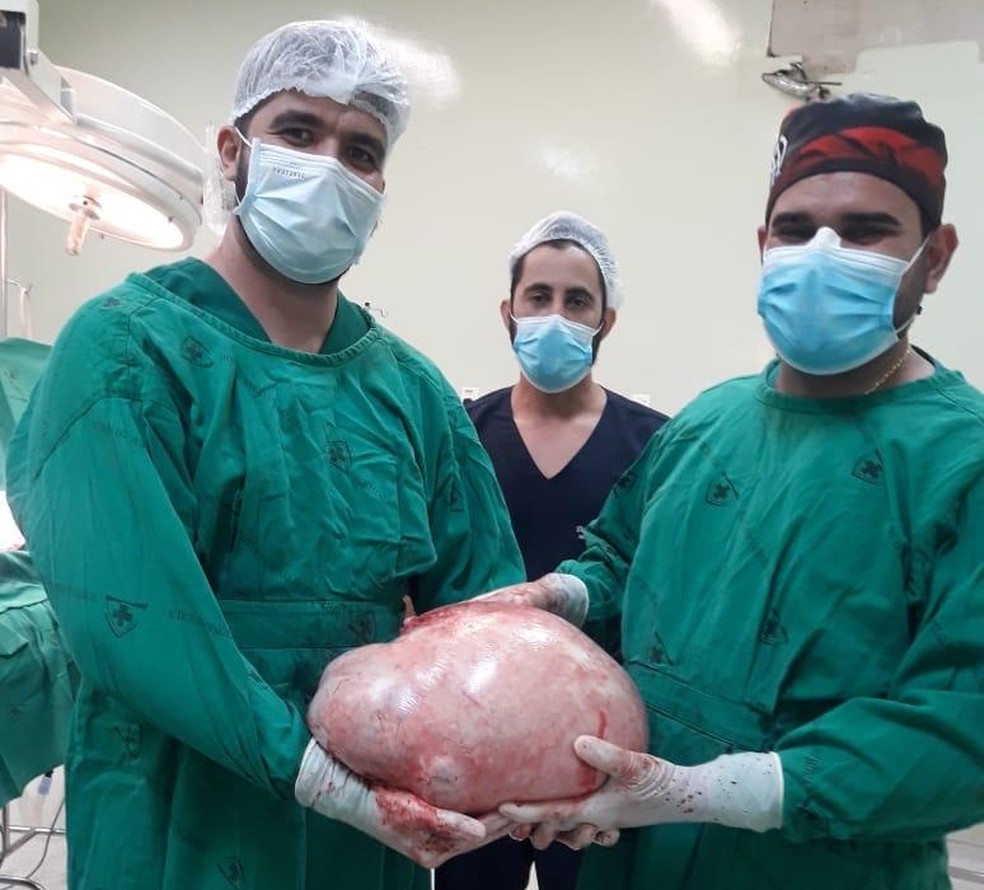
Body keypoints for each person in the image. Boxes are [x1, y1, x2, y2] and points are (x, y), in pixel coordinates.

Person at [4, 20, 586, 890]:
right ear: (232, 153)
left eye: (361, 151)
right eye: (299, 132)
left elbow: (481, 625)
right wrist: (313, 774)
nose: (328, 166)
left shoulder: (412, 392)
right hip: (177, 813)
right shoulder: (123, 352)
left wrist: (548, 764)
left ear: (380, 187)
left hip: (372, 834)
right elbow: (134, 620)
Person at [491, 94, 983, 888]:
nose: (823, 254)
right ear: (763, 245)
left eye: (865, 230)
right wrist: (563, 595)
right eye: (795, 229)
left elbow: (964, 726)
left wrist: (720, 791)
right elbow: (619, 558)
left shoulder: (962, 461)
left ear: (936, 256)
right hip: (632, 857)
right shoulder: (707, 423)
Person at [436, 211, 668, 890]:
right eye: (538, 297)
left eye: (577, 301)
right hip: (473, 737)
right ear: (508, 312)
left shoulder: (656, 445)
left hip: (597, 745)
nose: (555, 316)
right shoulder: (461, 434)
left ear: (605, 322)